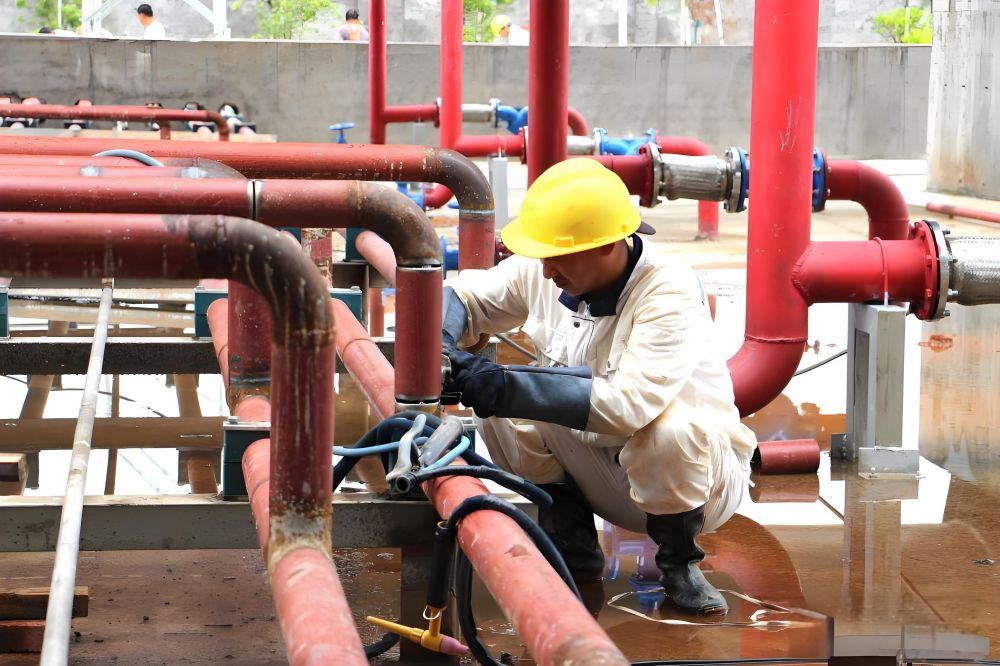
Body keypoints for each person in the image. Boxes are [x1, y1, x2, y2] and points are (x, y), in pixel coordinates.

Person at [440, 159, 756, 616]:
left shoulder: (667, 291)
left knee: (668, 428)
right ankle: (571, 542)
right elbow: (466, 296)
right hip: (605, 475)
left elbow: (628, 405)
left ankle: (679, 564)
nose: (546, 271)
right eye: (543, 257)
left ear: (608, 245)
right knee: (505, 410)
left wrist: (500, 383)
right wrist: (441, 341)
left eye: (557, 258)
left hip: (698, 487)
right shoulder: (554, 268)